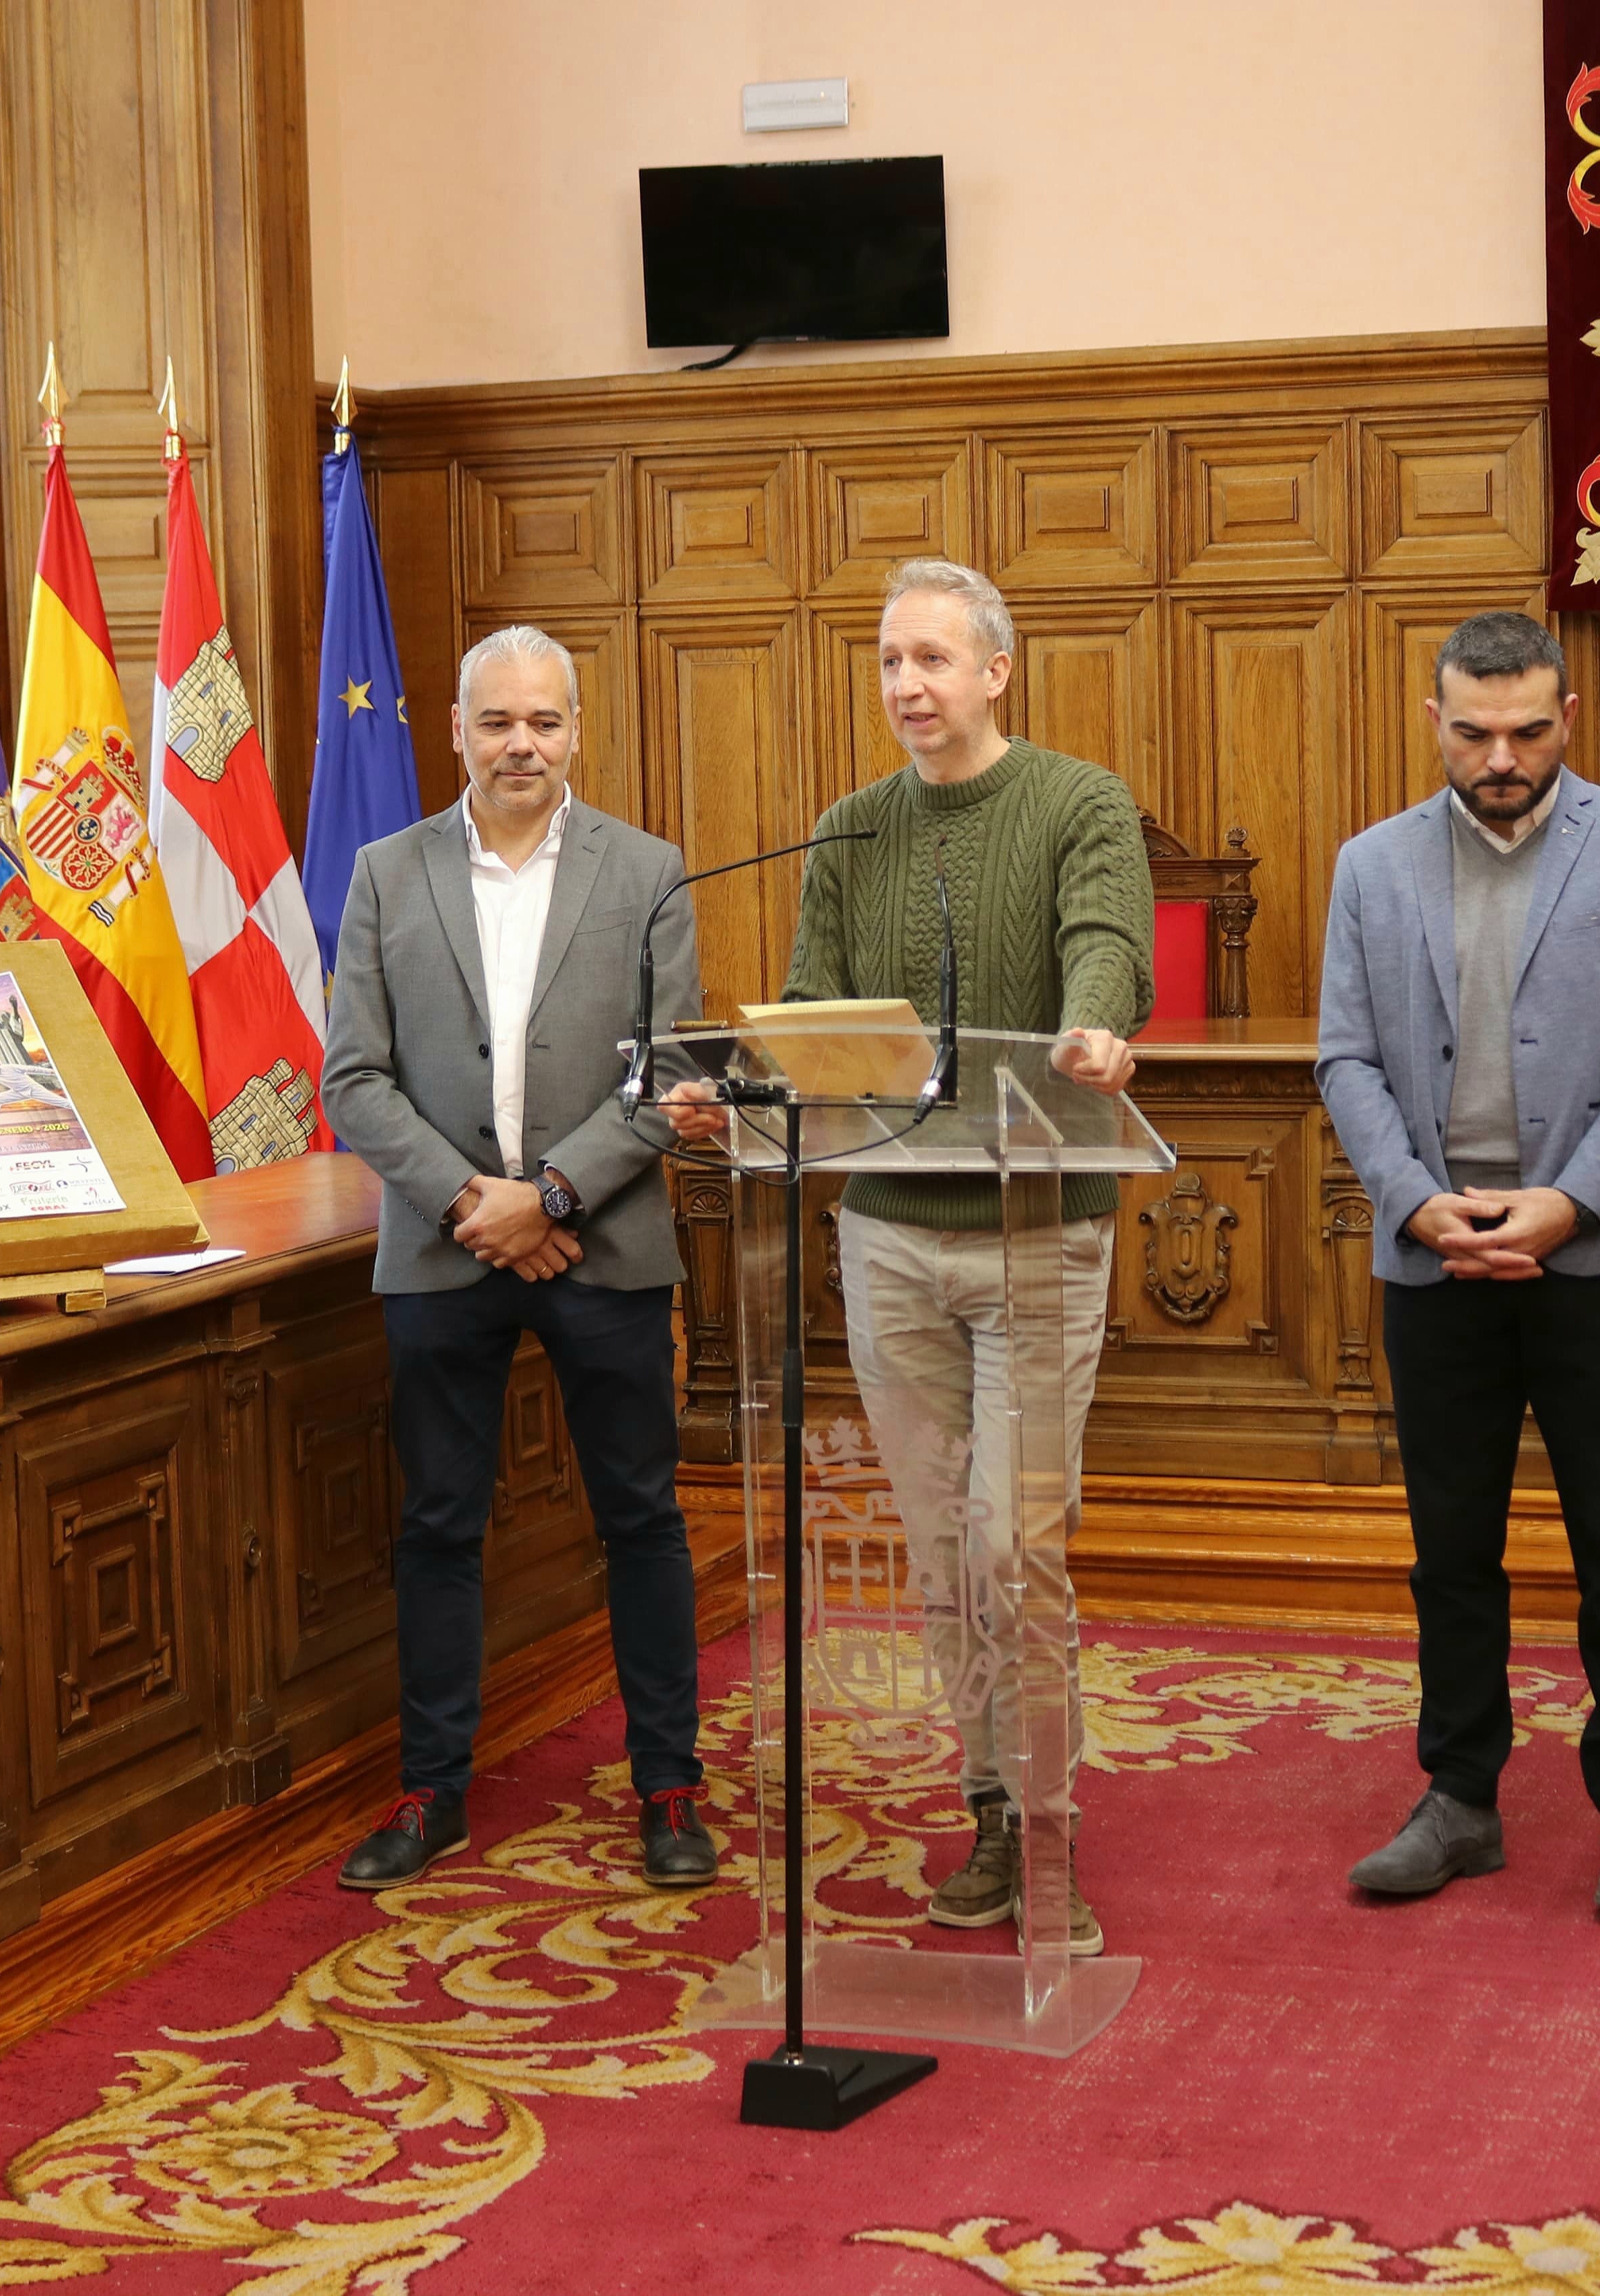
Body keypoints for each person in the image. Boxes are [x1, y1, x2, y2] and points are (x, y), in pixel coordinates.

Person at [672, 556, 1152, 1954]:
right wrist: (744, 1087)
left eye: (932, 659)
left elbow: (1103, 944)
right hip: (885, 1239)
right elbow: (817, 1009)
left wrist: (1092, 1031)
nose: (906, 685)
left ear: (996, 671)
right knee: (944, 1555)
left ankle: (1050, 1818)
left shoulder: (1077, 802)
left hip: (1038, 1236)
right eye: (890, 661)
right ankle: (995, 1801)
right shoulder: (847, 828)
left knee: (1016, 1546)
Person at [1315, 612, 1600, 1915]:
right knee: (1449, 1547)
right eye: (1475, 731)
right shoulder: (1368, 866)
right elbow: (1346, 1058)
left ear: (1568, 714)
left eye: (1527, 730)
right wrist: (1418, 1201)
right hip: (1432, 1254)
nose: (1501, 755)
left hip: (1589, 1254)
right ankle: (1460, 1796)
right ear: (1433, 718)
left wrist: (1569, 1202)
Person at [322, 624, 716, 1892]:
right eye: (498, 723)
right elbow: (355, 1080)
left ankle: (669, 1787)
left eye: (544, 722)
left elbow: (669, 1080)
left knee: (641, 1521)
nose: (522, 746)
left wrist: (547, 1195)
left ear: (577, 731)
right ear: (456, 731)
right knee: (439, 1526)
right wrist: (474, 1206)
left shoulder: (648, 872)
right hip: (442, 1257)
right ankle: (432, 1790)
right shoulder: (386, 873)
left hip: (604, 1247)